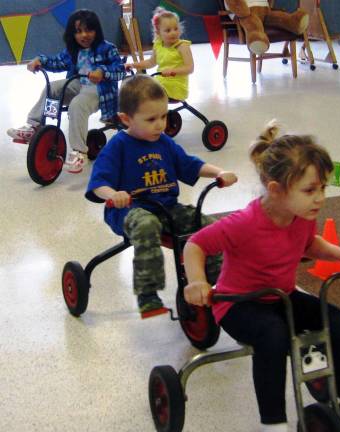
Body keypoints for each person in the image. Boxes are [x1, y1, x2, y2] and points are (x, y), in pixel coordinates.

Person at [183, 121, 340, 432]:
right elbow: (196, 245)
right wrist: (197, 281)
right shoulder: (244, 223)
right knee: (273, 336)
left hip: (281, 297)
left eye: (323, 187)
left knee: (336, 322)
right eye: (310, 190)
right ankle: (273, 423)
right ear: (275, 190)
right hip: (237, 304)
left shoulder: (300, 216)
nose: (320, 198)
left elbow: (309, 244)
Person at [85, 75, 237, 315]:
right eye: (151, 119)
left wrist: (220, 172)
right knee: (147, 225)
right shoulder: (118, 146)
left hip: (167, 208)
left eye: (164, 116)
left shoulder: (164, 142)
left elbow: (189, 164)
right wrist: (114, 194)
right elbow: (98, 184)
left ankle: (219, 282)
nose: (160, 125)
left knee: (208, 227)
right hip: (127, 211)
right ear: (126, 119)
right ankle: (147, 294)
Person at [7, 9, 126, 173]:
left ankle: (79, 151)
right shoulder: (73, 50)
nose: (84, 35)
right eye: (78, 31)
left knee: (77, 105)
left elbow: (120, 70)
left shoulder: (107, 48)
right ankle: (34, 125)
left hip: (100, 89)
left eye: (89, 30)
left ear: (96, 30)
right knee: (53, 88)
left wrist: (103, 72)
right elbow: (57, 62)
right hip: (77, 83)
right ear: (72, 34)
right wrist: (40, 61)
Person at [125, 7, 193, 101]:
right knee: (136, 88)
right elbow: (150, 63)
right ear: (158, 32)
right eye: (168, 30)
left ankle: (153, 113)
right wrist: (133, 65)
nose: (173, 33)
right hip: (160, 82)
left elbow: (190, 68)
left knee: (144, 92)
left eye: (176, 29)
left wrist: (172, 71)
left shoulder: (182, 46)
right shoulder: (158, 45)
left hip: (176, 87)